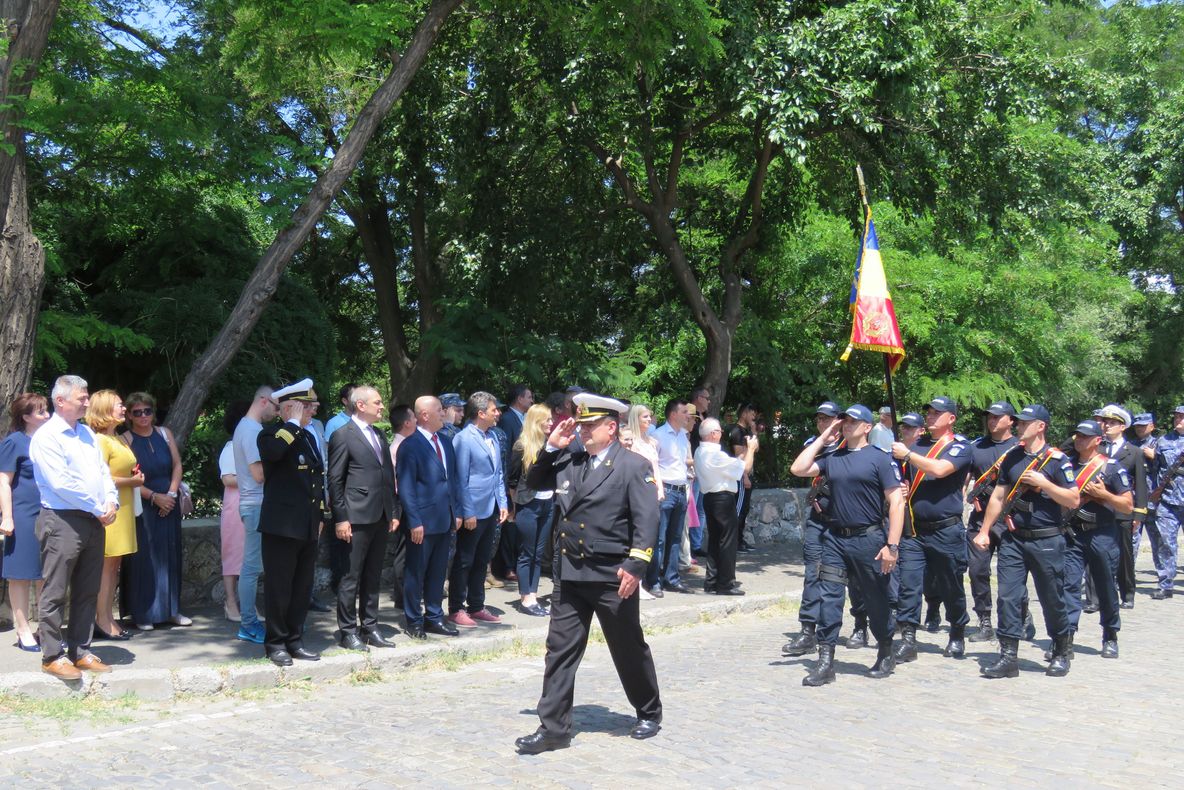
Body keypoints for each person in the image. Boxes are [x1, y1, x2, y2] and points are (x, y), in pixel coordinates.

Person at [515, 393, 662, 754]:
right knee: (560, 651)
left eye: (589, 425)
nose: (581, 430)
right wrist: (551, 446)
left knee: (627, 646)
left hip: (612, 574)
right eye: (580, 424)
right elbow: (533, 480)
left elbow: (647, 520)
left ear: (611, 428)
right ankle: (553, 729)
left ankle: (648, 710)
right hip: (570, 573)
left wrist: (636, 564)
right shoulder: (569, 459)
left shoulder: (631, 465)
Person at [789, 404, 905, 686]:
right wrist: (825, 433)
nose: (848, 425)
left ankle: (885, 648)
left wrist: (892, 546)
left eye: (854, 421)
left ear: (867, 427)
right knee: (829, 596)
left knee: (875, 598)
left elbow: (897, 502)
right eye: (845, 421)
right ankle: (826, 661)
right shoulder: (833, 457)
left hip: (869, 539)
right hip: (835, 539)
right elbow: (798, 468)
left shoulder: (880, 459)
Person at [974, 404, 1080, 678]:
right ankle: (1008, 656)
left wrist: (1045, 484)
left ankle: (1060, 649)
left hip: (1047, 539)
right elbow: (998, 497)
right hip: (1014, 539)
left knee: (1051, 597)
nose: (1019, 426)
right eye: (1018, 422)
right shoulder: (1012, 458)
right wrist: (985, 530)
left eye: (1024, 422)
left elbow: (1073, 499)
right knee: (1008, 597)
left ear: (1040, 426)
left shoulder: (1058, 461)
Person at [28, 375, 118, 679]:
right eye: (81, 397)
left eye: (87, 395)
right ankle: (52, 655)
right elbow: (61, 483)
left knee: (87, 589)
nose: (87, 401)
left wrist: (111, 501)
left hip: (93, 520)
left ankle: (81, 650)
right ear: (60, 401)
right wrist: (97, 506)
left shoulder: (87, 435)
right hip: (63, 519)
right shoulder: (47, 437)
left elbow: (103, 472)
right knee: (55, 590)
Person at [890, 396, 972, 663]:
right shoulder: (917, 445)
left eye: (938, 413)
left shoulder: (960, 447)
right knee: (909, 584)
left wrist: (909, 455)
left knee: (950, 586)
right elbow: (905, 478)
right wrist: (902, 487)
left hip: (946, 531)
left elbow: (939, 469)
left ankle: (957, 631)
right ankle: (908, 638)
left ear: (951, 418)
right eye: (929, 412)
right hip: (915, 530)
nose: (931, 416)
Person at [327, 385, 399, 651]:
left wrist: (392, 511)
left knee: (373, 574)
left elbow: (387, 475)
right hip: (356, 516)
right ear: (361, 405)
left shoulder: (379, 434)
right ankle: (348, 631)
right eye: (377, 403)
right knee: (350, 577)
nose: (382, 407)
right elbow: (335, 480)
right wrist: (341, 518)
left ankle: (370, 626)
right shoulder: (342, 435)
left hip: (379, 514)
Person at [258, 379, 324, 666]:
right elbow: (273, 454)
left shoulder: (308, 437)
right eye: (306, 406)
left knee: (301, 588)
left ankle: (295, 640)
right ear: (289, 408)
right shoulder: (270, 434)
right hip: (281, 526)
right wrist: (293, 423)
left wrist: (320, 516)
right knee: (279, 588)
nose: (312, 411)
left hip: (307, 524)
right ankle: (275, 644)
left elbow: (316, 480)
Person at [1062, 419, 1131, 659]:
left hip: (1102, 533)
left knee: (1105, 585)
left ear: (1097, 440)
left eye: (1084, 436)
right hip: (1073, 534)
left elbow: (1127, 504)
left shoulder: (1110, 468)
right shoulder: (1067, 465)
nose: (1078, 440)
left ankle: (1110, 634)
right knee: (1068, 584)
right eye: (1076, 436)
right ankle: (1066, 638)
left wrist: (1103, 495)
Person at [123, 392, 190, 630]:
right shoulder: (126, 440)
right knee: (145, 558)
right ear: (129, 415)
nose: (143, 416)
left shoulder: (165, 434)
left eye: (147, 411)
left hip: (168, 502)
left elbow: (177, 464)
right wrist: (154, 497)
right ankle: (144, 613)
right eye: (137, 412)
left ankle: (171, 610)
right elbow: (128, 477)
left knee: (170, 555)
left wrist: (170, 495)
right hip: (144, 504)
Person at [783, 401, 845, 657]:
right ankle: (808, 630)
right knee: (813, 574)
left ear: (839, 421)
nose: (823, 423)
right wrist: (822, 438)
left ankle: (862, 626)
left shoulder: (848, 448)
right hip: (818, 521)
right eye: (819, 419)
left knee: (858, 579)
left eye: (828, 419)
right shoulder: (815, 444)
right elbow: (799, 468)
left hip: (845, 523)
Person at [397, 396, 462, 639]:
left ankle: (434, 616)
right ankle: (413, 619)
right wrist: (414, 521)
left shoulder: (445, 442)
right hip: (422, 522)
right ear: (425, 415)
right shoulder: (410, 445)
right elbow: (406, 487)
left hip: (444, 519)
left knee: (437, 571)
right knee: (416, 572)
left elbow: (451, 480)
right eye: (439, 409)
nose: (444, 413)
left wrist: (456, 512)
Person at [448, 392, 510, 628]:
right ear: (481, 413)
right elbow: (460, 478)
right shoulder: (464, 439)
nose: (498, 414)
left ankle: (476, 605)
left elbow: (498, 474)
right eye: (494, 410)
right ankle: (456, 608)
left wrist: (502, 502)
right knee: (464, 560)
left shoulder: (492, 435)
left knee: (482, 559)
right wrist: (467, 511)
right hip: (473, 509)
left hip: (491, 507)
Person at [963, 402, 1020, 643]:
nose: (992, 421)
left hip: (1011, 517)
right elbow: (965, 477)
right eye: (989, 417)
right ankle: (984, 620)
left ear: (1011, 421)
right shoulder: (976, 447)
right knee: (977, 570)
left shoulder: (1020, 448)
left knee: (1013, 574)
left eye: (998, 417)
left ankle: (1021, 615)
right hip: (980, 516)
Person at [85, 390, 140, 640]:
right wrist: (131, 481)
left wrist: (134, 478)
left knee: (114, 566)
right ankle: (102, 620)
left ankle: (107, 616)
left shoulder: (117, 438)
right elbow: (100, 478)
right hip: (111, 508)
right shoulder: (100, 440)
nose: (123, 409)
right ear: (105, 409)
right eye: (119, 405)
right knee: (106, 567)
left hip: (124, 506)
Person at [0, 393, 50, 652]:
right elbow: (3, 481)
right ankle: (23, 629)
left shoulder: (46, 441)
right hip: (22, 515)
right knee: (20, 575)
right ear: (26, 417)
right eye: (41, 412)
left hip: (48, 514)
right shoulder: (14, 442)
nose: (47, 415)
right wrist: (7, 517)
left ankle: (45, 628)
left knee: (46, 574)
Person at [233, 385, 278, 644]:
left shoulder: (247, 428)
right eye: (274, 405)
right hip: (256, 505)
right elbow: (259, 475)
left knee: (254, 566)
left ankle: (251, 621)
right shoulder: (251, 431)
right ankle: (248, 624)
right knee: (251, 567)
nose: (275, 411)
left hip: (254, 504)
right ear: (263, 401)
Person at [695, 417, 757, 595]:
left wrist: (742, 454)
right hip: (722, 498)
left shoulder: (700, 451)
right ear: (714, 434)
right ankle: (725, 583)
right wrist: (751, 449)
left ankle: (712, 581)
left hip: (709, 498)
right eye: (720, 431)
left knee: (715, 540)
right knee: (728, 541)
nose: (722, 434)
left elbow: (733, 464)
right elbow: (745, 468)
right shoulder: (715, 455)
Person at [508, 404, 556, 616]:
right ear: (536, 422)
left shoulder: (550, 444)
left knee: (538, 553)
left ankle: (533, 595)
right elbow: (512, 480)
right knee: (527, 553)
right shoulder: (522, 446)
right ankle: (525, 598)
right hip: (528, 504)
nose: (551, 423)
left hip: (548, 503)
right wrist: (513, 507)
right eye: (547, 420)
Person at [1097, 405, 1147, 609]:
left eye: (1112, 423)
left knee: (1124, 555)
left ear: (1123, 427)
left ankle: (1127, 593)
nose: (1107, 426)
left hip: (1122, 510)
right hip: (1099, 508)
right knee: (1097, 553)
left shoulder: (1133, 452)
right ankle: (1094, 598)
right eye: (1106, 422)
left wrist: (1139, 514)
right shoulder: (1097, 449)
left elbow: (1141, 485)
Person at [647, 399, 693, 597]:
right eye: (684, 412)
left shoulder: (683, 435)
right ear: (673, 414)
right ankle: (654, 580)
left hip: (681, 489)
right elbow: (652, 465)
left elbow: (683, 462)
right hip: (665, 489)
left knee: (675, 537)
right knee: (659, 537)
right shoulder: (657, 435)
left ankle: (671, 578)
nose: (688, 415)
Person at [217, 401, 251, 622]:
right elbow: (228, 478)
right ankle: (230, 602)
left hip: (250, 502)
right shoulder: (230, 448)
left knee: (251, 557)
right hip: (235, 505)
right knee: (233, 555)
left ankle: (247, 603)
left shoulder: (250, 446)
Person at [1151, 406, 1184, 600]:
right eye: (1176, 417)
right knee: (1165, 543)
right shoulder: (1163, 441)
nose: (1178, 420)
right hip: (1168, 501)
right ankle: (1165, 584)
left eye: (1182, 417)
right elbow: (1155, 470)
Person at [386, 404, 415, 608]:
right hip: (402, 502)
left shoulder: (405, 444)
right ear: (406, 422)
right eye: (413, 417)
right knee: (404, 551)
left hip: (404, 501)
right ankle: (402, 596)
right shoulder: (399, 447)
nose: (416, 421)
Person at [1129, 412, 1163, 586]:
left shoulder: (1160, 444)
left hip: (1155, 499)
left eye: (1143, 425)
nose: (1139, 428)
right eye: (1137, 425)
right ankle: (1127, 576)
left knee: (1158, 539)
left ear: (1152, 426)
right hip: (1134, 499)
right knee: (1131, 538)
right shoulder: (1130, 445)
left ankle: (1164, 578)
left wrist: (1155, 456)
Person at [727, 404, 759, 552]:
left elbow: (755, 449)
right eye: (752, 414)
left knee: (744, 509)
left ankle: (740, 539)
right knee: (738, 510)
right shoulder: (736, 432)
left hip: (747, 474)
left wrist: (753, 433)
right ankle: (735, 542)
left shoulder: (746, 431)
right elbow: (739, 456)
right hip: (740, 476)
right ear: (744, 413)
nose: (754, 418)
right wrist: (745, 476)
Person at [499, 384, 533, 450]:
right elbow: (506, 449)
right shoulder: (507, 419)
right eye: (529, 397)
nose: (532, 401)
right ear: (520, 399)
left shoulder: (527, 417)